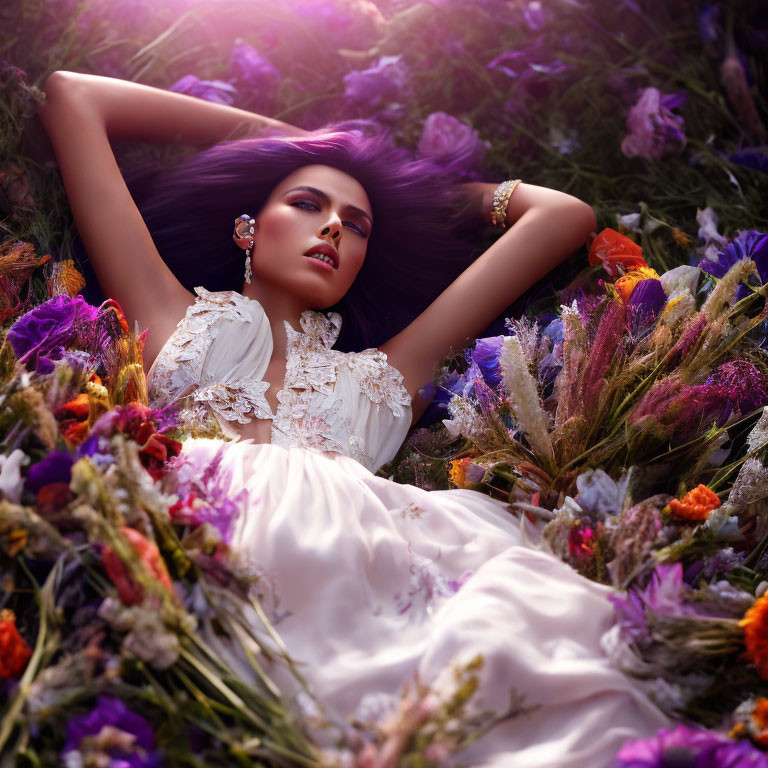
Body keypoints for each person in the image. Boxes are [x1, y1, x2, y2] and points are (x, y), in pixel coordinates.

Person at [37, 70, 670, 767]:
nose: (334, 225)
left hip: (380, 581)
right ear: (249, 225)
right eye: (307, 203)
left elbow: (561, 216)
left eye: (358, 224)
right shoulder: (171, 315)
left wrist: (418, 196)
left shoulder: (385, 376)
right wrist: (297, 143)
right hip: (201, 556)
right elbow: (74, 97)